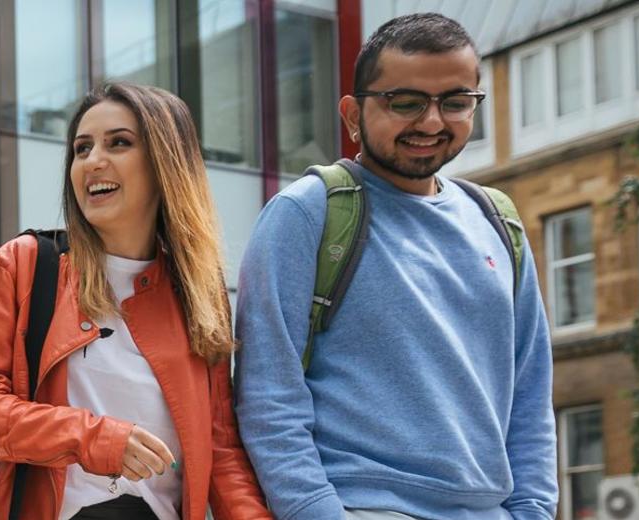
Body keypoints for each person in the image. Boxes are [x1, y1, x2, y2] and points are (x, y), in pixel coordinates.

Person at [233, 13, 557, 520]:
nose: (431, 122)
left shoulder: (499, 222)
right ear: (352, 115)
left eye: (455, 102)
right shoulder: (309, 212)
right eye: (405, 102)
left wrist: (533, 511)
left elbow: (531, 394)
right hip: (364, 505)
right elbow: (267, 396)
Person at [0, 83, 271, 520]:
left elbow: (221, 453)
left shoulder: (199, 292)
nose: (93, 161)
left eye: (119, 143)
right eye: (82, 148)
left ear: (165, 164)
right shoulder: (21, 266)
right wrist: (97, 439)